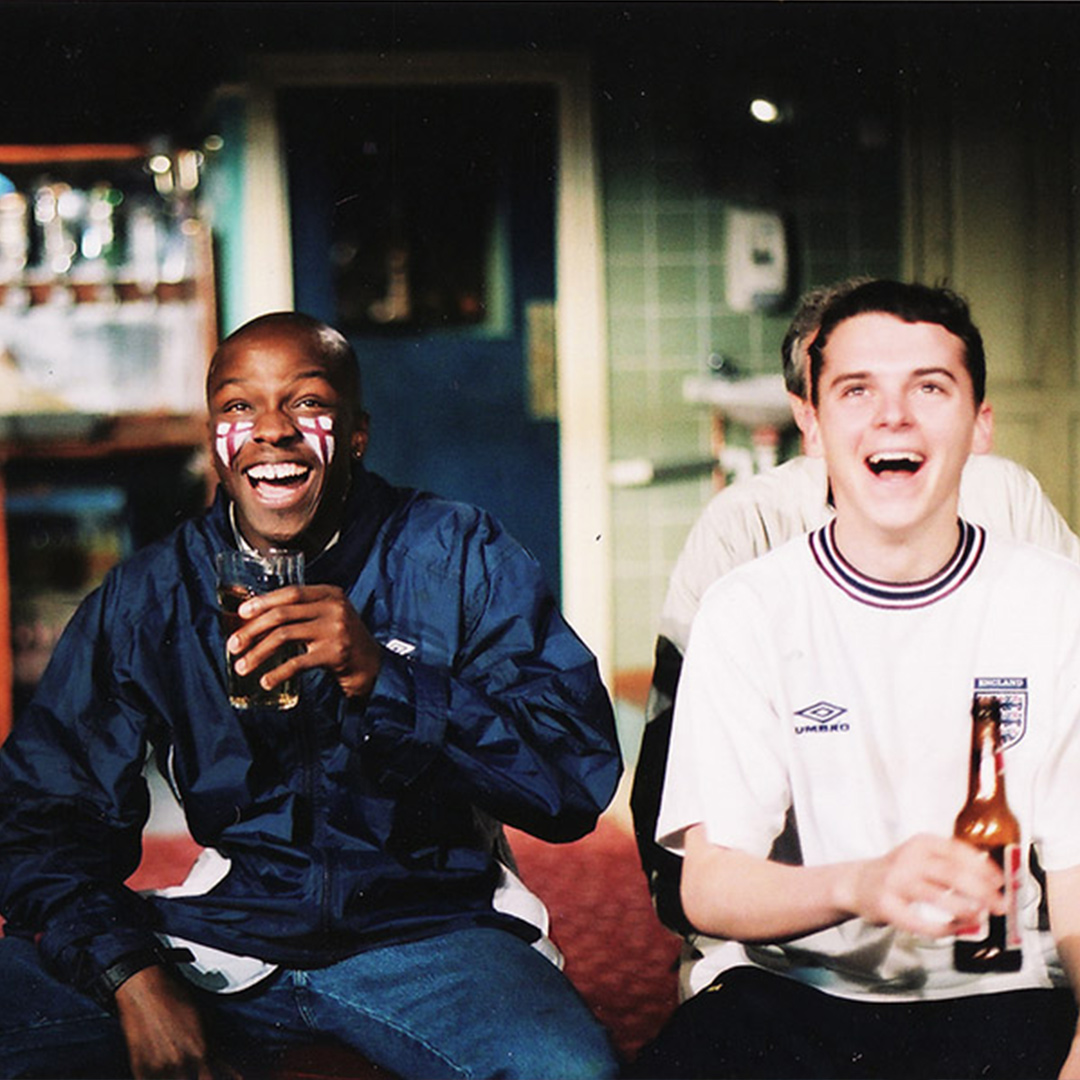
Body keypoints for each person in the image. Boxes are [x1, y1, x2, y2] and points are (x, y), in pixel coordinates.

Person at [0, 312, 622, 1080]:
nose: (271, 431)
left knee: (568, 1071)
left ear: (355, 434)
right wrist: (129, 974)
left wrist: (386, 679)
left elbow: (571, 777)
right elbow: (42, 817)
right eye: (238, 407)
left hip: (429, 930)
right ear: (213, 438)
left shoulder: (455, 553)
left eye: (306, 403)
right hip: (225, 932)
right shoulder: (152, 592)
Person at [631, 280, 1080, 1078]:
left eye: (930, 388)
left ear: (981, 425)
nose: (893, 417)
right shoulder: (749, 608)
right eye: (857, 390)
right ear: (811, 425)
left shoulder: (1056, 603)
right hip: (796, 988)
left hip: (1001, 992)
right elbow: (710, 883)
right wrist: (863, 884)